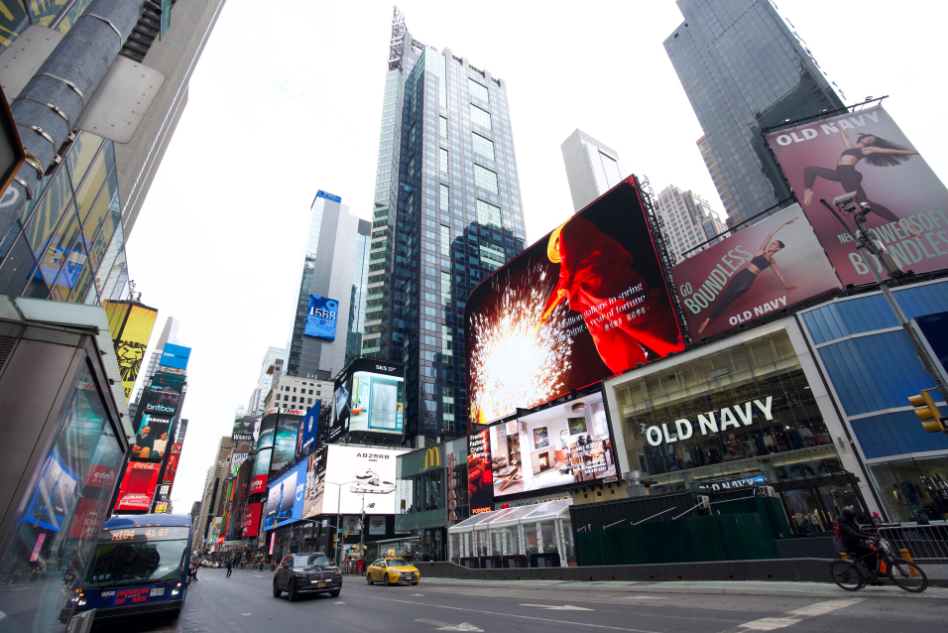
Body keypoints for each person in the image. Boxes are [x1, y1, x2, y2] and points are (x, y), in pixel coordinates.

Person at [698, 220, 799, 334]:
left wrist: (787, 286)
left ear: (778, 248)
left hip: (747, 281)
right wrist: (783, 223)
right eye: (772, 243)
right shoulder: (761, 251)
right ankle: (706, 321)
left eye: (775, 244)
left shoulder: (771, 261)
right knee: (724, 297)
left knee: (728, 301)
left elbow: (779, 274)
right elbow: (769, 235)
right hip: (741, 275)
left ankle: (708, 320)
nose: (771, 244)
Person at [802, 129, 919, 222]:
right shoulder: (851, 148)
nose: (870, 139)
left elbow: (893, 151)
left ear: (872, 143)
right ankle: (808, 191)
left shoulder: (867, 150)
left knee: (864, 203)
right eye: (869, 137)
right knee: (809, 169)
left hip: (849, 174)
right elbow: (845, 138)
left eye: (872, 139)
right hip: (840, 174)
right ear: (863, 137)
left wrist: (916, 152)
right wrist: (840, 128)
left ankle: (901, 222)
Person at [836, 508, 882, 585]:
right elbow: (853, 534)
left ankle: (872, 573)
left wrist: (870, 534)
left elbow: (858, 532)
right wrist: (867, 537)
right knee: (871, 552)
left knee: (868, 554)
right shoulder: (843, 524)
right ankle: (872, 571)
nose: (854, 518)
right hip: (851, 545)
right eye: (853, 516)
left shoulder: (850, 522)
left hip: (856, 543)